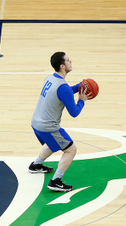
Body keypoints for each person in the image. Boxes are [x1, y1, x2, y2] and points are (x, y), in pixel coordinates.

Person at [28, 52, 90, 192]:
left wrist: (79, 86)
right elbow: (74, 112)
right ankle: (56, 181)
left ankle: (36, 165)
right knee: (71, 150)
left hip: (36, 122)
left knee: (54, 141)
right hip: (47, 126)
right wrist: (81, 100)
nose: (70, 61)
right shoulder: (62, 87)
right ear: (62, 66)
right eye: (68, 60)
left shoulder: (50, 78)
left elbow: (64, 92)